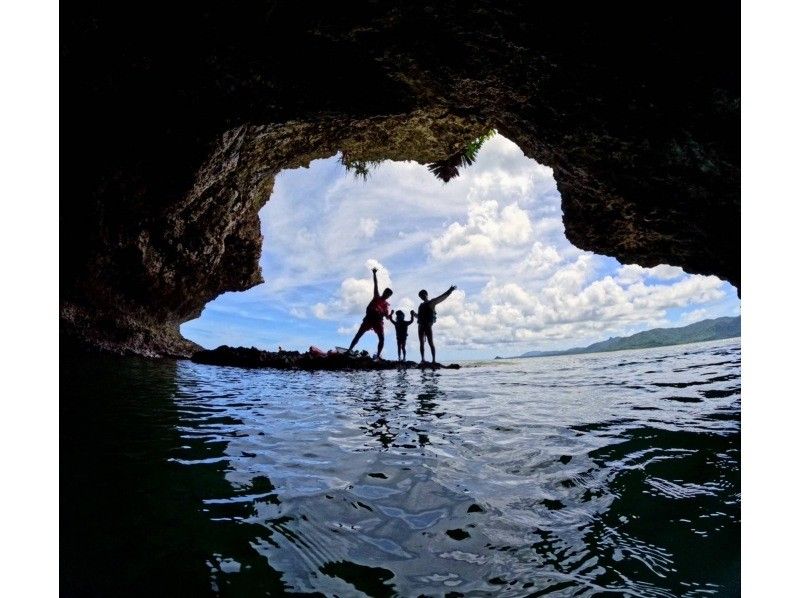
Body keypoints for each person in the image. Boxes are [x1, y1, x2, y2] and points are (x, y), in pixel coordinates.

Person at [347, 267, 393, 358]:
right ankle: (349, 350)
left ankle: (378, 355)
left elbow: (387, 317)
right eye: (385, 292)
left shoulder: (385, 306)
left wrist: (391, 315)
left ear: (389, 296)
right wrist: (374, 274)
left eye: (388, 294)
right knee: (359, 334)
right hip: (369, 320)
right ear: (383, 292)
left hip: (378, 322)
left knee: (382, 338)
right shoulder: (377, 297)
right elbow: (375, 284)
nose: (386, 294)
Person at [417, 285, 456, 364]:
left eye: (423, 295)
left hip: (427, 326)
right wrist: (414, 314)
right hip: (420, 326)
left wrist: (450, 290)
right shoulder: (420, 306)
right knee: (421, 343)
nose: (422, 297)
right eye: (420, 296)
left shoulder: (431, 302)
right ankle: (422, 359)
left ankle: (433, 360)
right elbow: (419, 317)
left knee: (430, 342)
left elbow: (441, 297)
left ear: (426, 294)